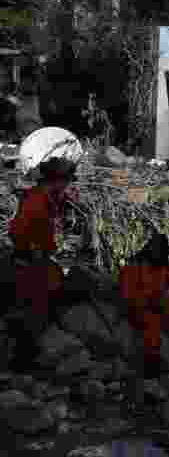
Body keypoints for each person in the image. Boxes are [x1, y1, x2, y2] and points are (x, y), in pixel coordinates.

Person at [7, 157, 76, 371]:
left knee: (40, 305)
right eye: (66, 181)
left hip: (40, 259)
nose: (68, 186)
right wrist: (33, 250)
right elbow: (17, 231)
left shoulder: (48, 198)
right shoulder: (36, 201)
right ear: (56, 180)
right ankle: (22, 361)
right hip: (30, 262)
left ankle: (27, 356)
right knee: (32, 309)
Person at [119, 233, 169, 379]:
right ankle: (151, 362)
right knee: (152, 324)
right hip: (140, 309)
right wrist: (150, 302)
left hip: (158, 308)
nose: (157, 252)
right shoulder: (134, 267)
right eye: (155, 248)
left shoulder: (164, 267)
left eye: (160, 250)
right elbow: (128, 296)